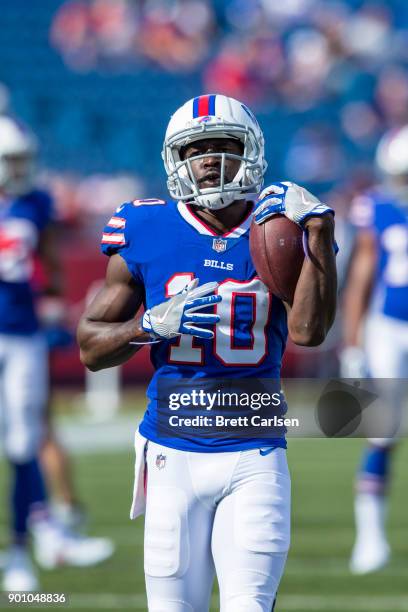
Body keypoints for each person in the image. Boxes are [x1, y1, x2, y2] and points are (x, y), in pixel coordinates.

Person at [78, 94, 337, 611]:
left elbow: (309, 333)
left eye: (225, 146)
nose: (211, 159)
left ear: (253, 153)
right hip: (171, 451)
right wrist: (147, 324)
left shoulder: (281, 230)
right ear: (178, 159)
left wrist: (320, 236)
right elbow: (90, 347)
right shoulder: (145, 226)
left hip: (255, 449)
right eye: (198, 149)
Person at [0, 116, 113, 592]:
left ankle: (25, 546)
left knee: (25, 440)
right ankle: (45, 529)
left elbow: (48, 266)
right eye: (12, 160)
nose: (20, 168)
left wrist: (51, 303)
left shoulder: (36, 202)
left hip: (21, 333)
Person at [341, 125, 408, 575]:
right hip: (390, 328)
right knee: (383, 432)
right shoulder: (378, 208)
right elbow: (362, 276)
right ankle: (370, 540)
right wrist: (352, 341)